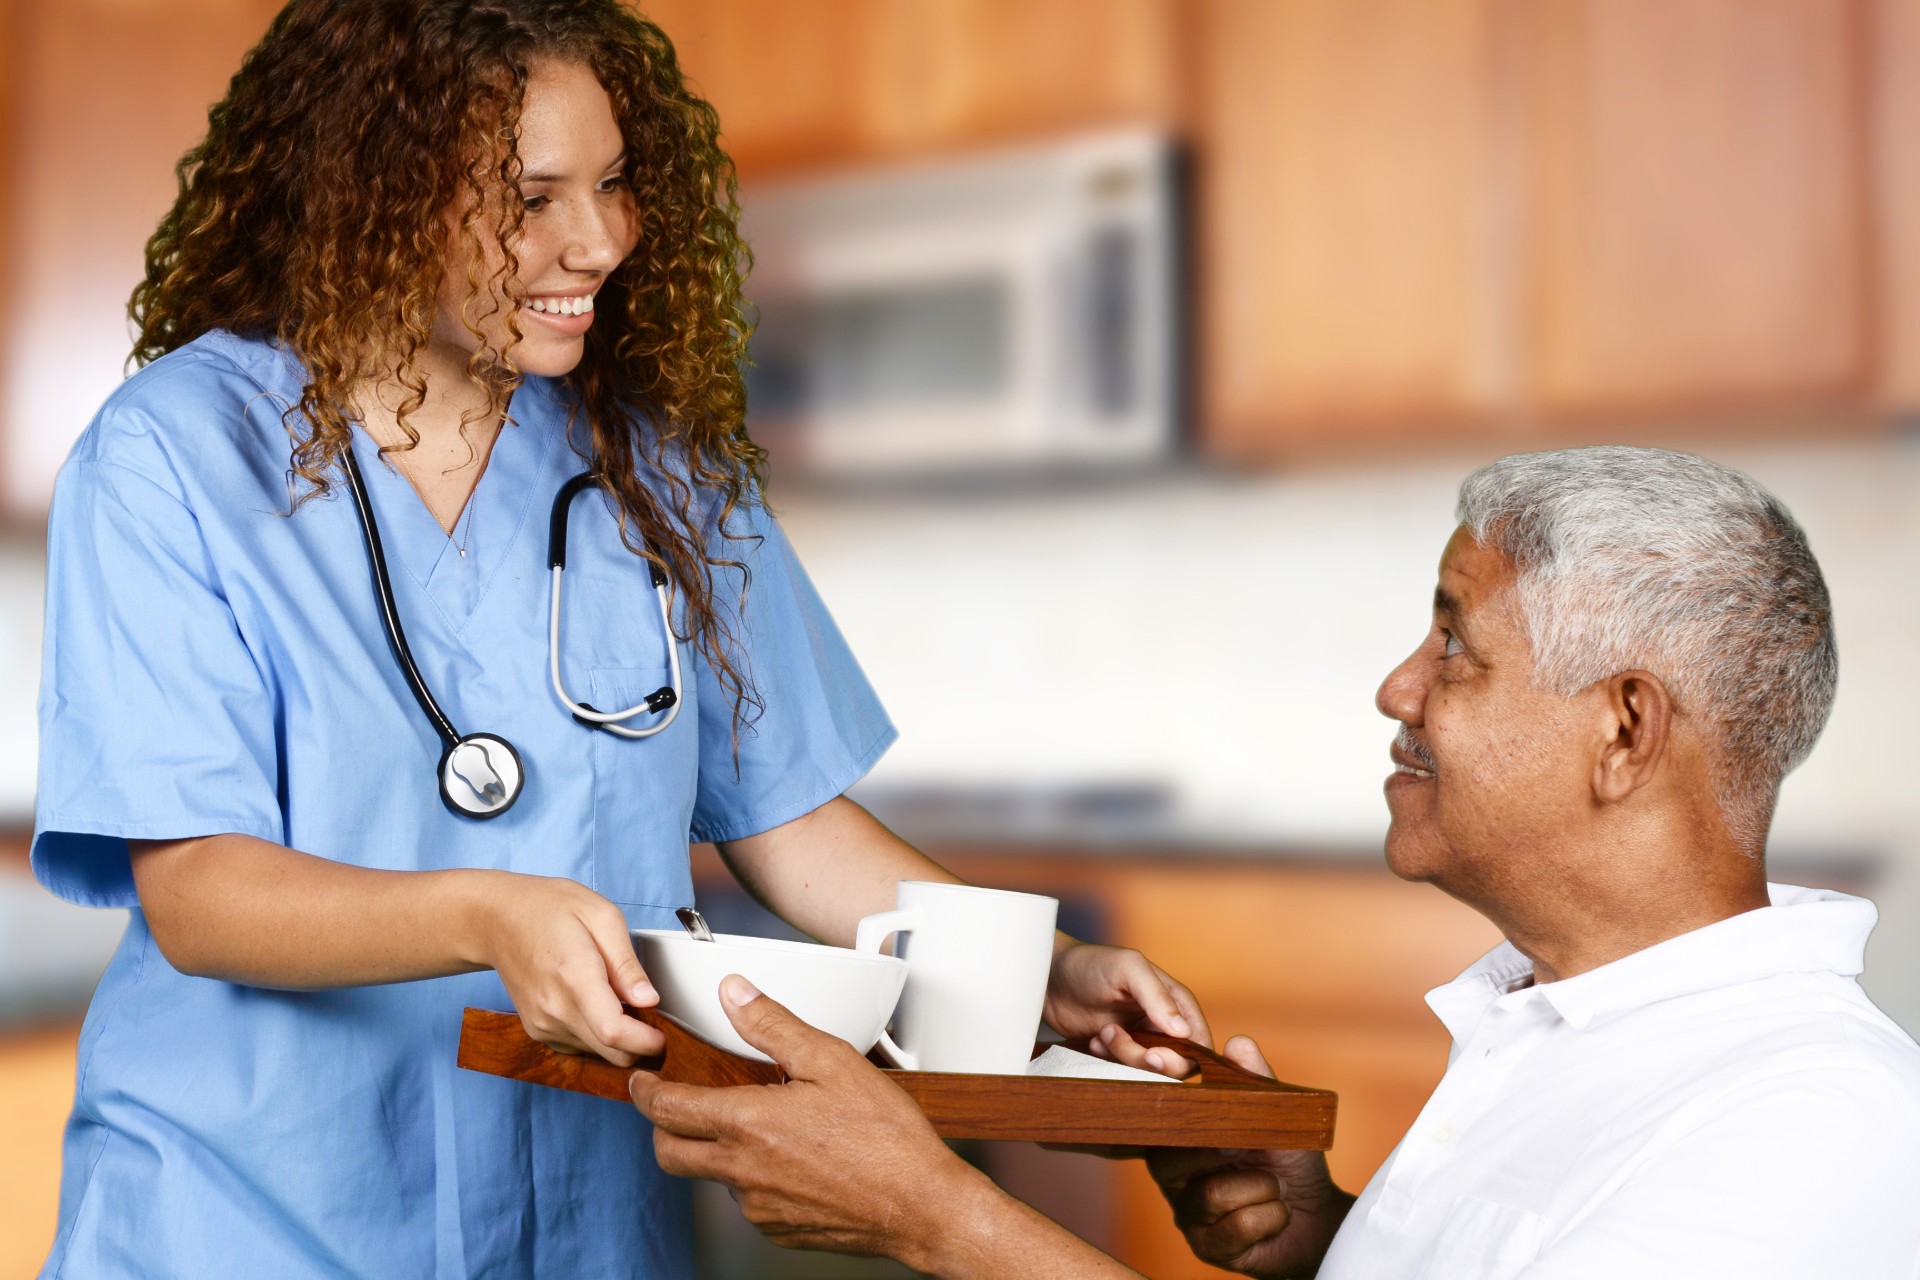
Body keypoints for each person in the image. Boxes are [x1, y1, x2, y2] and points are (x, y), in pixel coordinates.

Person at [29, 3, 1207, 1276]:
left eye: (613, 182)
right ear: (365, 194)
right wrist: (489, 912)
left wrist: (1047, 970)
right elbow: (202, 892)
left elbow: (791, 825)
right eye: (530, 196)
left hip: (581, 1227)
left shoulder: (659, 471)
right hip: (250, 1218)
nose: (596, 239)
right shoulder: (176, 455)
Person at [633, 445, 1920, 1279]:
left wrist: (938, 1216)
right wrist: (1339, 1236)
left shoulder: (1813, 1118)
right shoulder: (1565, 1023)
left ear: (1624, 728)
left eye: (1454, 642)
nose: (1396, 687)